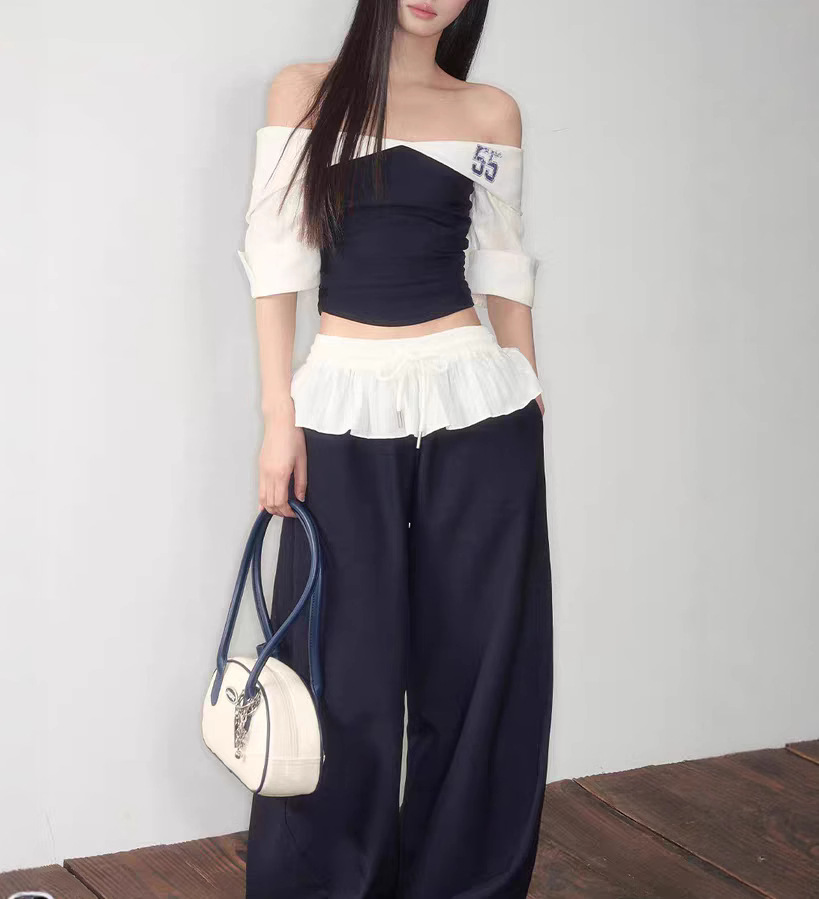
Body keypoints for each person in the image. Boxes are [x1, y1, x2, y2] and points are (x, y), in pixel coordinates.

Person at [237, 2, 552, 896]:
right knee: (340, 673)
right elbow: (276, 258)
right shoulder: (305, 92)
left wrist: (528, 386)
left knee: (478, 672)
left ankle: (466, 884)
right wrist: (278, 416)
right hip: (342, 407)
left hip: (477, 408)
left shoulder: (488, 110)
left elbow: (501, 259)